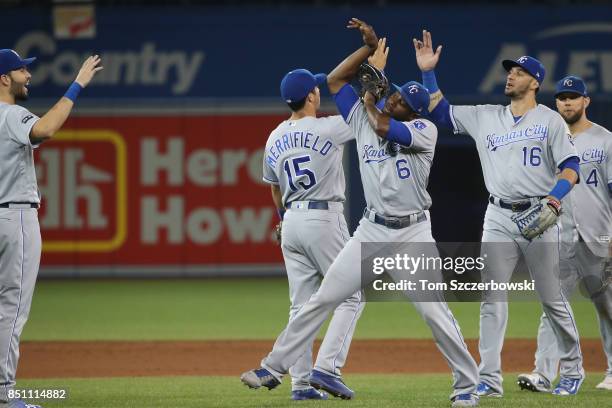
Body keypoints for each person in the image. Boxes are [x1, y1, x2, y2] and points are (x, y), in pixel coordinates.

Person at [242, 19, 480, 407]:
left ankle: (467, 387)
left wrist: (371, 93)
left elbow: (384, 126)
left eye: (403, 100)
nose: (395, 98)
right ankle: (274, 366)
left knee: (435, 314)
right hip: (370, 230)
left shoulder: (423, 131)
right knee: (323, 298)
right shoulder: (365, 119)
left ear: (414, 111)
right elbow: (336, 80)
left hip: (413, 234)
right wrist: (368, 51)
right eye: (396, 95)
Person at [412, 30, 585, 396]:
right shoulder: (486, 116)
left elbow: (571, 166)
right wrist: (428, 73)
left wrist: (554, 199)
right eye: (509, 71)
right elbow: (441, 113)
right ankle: (488, 379)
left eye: (519, 72)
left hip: (540, 214)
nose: (511, 75)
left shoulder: (550, 120)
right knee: (492, 298)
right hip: (498, 217)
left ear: (534, 82)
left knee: (552, 299)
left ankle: (571, 369)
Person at [0, 49, 102, 407]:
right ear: (3, 79)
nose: (28, 76)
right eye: (21, 70)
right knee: (11, 308)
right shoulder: (10, 114)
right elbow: (45, 128)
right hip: (14, 218)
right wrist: (77, 85)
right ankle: (4, 394)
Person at [260, 66, 366, 400]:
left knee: (301, 306)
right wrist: (372, 75)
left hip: (291, 222)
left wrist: (281, 218)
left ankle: (301, 384)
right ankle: (328, 368)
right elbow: (364, 115)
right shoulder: (328, 127)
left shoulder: (274, 135)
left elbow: (274, 188)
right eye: (316, 88)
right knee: (352, 294)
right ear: (311, 95)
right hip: (323, 217)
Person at [517, 75, 612, 393]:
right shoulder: (546, 140)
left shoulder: (605, 140)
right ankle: (542, 373)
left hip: (599, 236)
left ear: (586, 101)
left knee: (607, 307)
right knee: (552, 306)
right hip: (559, 237)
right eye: (561, 97)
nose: (567, 102)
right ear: (555, 102)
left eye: (573, 96)